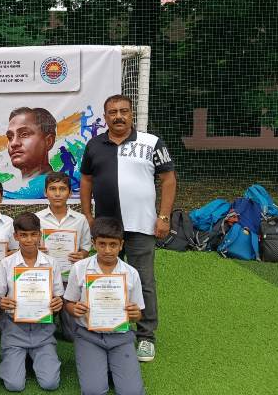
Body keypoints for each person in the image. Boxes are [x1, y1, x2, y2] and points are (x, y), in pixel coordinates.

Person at [80, 94, 176, 362]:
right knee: (104, 278)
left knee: (143, 281)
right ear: (105, 117)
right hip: (106, 228)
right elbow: (86, 180)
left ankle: (145, 336)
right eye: (112, 112)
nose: (118, 116)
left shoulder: (151, 142)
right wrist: (87, 214)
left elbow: (168, 180)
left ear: (132, 114)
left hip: (141, 225)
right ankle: (105, 324)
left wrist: (164, 216)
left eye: (123, 111)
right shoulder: (94, 145)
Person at [63, 217, 145, 395]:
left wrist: (135, 314)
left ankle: (109, 365)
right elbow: (69, 302)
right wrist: (74, 309)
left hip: (121, 336)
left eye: (113, 245)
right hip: (88, 335)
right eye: (102, 244)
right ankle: (103, 366)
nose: (107, 250)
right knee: (93, 390)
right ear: (94, 243)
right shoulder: (79, 268)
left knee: (132, 392)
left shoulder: (131, 273)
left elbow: (138, 314)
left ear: (121, 245)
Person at [0, 212, 65, 392]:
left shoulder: (51, 263)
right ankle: (17, 358)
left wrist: (58, 303)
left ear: (40, 235)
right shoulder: (6, 263)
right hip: (15, 328)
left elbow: (59, 296)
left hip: (43, 330)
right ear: (16, 236)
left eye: (33, 234)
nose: (29, 240)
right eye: (23, 235)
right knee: (14, 385)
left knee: (50, 383)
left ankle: (33, 357)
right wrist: (2, 302)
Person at [35, 171, 91, 341]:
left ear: (70, 192)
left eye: (62, 189)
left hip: (69, 278)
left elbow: (86, 247)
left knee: (71, 335)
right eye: (53, 189)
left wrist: (81, 254)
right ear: (45, 192)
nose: (57, 193)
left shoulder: (80, 219)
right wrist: (36, 250)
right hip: (44, 278)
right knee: (40, 329)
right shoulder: (37, 219)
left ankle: (64, 321)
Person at [6, 107, 57, 183]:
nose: (13, 143)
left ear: (48, 141)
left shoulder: (59, 187)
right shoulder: (11, 187)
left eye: (24, 134)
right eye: (10, 137)